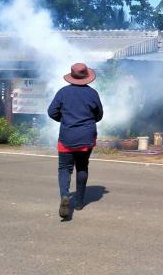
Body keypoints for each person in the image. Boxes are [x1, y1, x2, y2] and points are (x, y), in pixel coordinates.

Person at [48, 63, 103, 219]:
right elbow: (99, 115)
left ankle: (65, 195)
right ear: (86, 77)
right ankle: (79, 202)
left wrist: (64, 120)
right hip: (86, 137)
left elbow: (51, 112)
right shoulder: (93, 94)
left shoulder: (63, 93)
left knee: (64, 168)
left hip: (67, 137)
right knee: (82, 167)